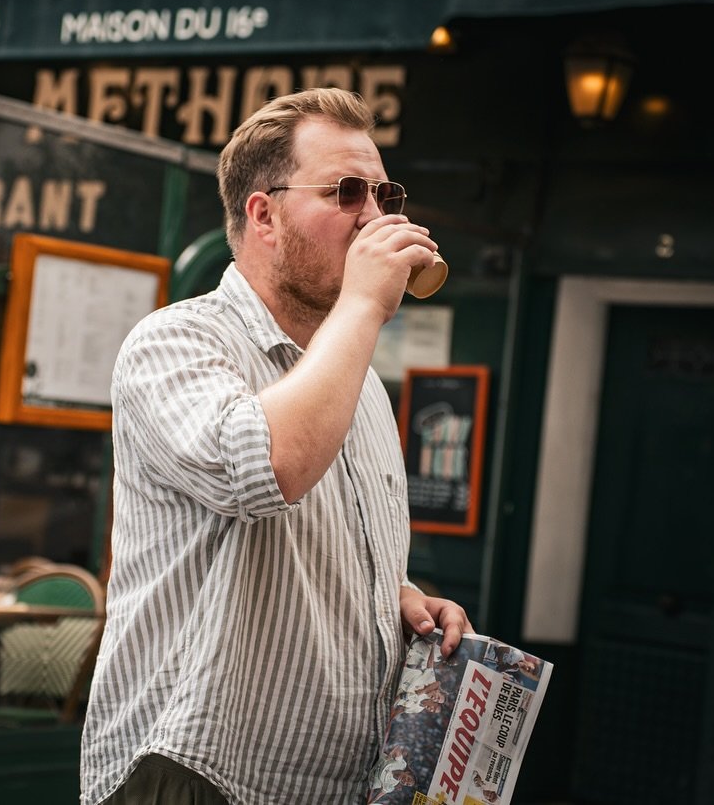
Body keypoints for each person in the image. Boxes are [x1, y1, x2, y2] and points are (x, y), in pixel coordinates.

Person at [80, 87, 472, 805]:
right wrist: (362, 304)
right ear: (263, 214)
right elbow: (267, 468)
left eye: (384, 193)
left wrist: (400, 600)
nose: (375, 216)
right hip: (198, 775)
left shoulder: (363, 385)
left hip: (331, 786)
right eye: (348, 192)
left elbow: (317, 543)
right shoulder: (175, 341)